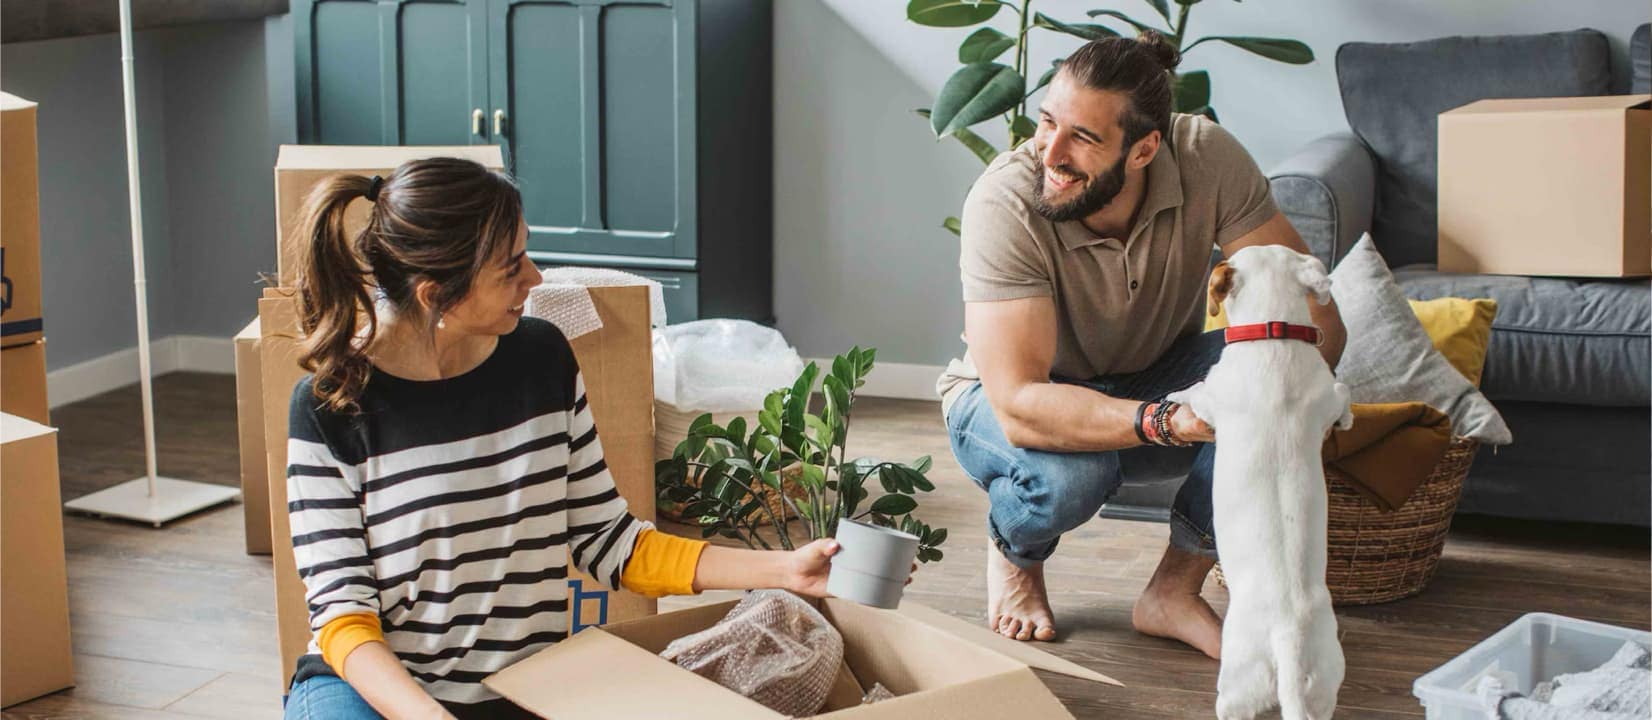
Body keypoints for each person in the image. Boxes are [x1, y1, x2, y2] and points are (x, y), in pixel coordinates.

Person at [281, 158, 840, 719]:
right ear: (436, 295)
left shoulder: (541, 359)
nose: (535, 278)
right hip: (376, 695)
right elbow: (344, 618)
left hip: (521, 688)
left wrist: (786, 569)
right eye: (510, 269)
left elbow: (610, 540)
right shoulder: (331, 407)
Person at [936, 33, 1347, 657]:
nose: (1052, 152)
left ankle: (1173, 590)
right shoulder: (1005, 201)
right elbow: (1019, 404)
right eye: (1047, 122)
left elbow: (1316, 317)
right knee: (1072, 479)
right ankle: (1016, 553)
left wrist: (1289, 397)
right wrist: (1167, 420)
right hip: (1004, 402)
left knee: (1285, 371)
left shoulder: (1204, 156)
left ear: (1145, 149)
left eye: (1084, 137)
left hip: (1153, 375)